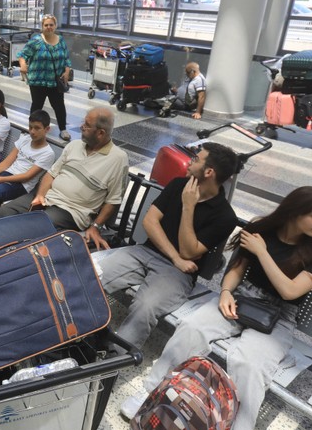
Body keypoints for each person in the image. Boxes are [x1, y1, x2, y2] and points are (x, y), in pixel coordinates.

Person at [120, 187, 312, 430]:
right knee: (192, 329)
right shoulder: (260, 228)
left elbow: (289, 291)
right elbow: (237, 267)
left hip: (280, 316)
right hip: (241, 296)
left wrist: (262, 252)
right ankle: (152, 392)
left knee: (250, 364)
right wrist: (225, 292)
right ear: (295, 210)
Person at [97, 142, 239, 350]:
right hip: (147, 253)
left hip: (177, 274)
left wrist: (189, 206)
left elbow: (189, 251)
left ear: (209, 172)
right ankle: (74, 334)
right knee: (94, 278)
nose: (191, 160)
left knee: (145, 308)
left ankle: (113, 361)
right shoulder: (178, 184)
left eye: (197, 159)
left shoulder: (225, 217)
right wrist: (176, 258)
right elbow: (150, 221)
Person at [0, 107, 128, 249]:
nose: (81, 127)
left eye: (87, 125)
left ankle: (4, 259)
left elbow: (113, 200)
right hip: (47, 197)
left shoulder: (118, 159)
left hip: (70, 210)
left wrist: (95, 226)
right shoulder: (74, 145)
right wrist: (40, 195)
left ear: (101, 133)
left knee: (32, 227)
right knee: (4, 213)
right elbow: (51, 174)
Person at [18, 14, 72, 142]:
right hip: (38, 81)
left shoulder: (61, 40)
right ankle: (32, 128)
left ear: (55, 26)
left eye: (51, 25)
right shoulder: (36, 40)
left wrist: (67, 71)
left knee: (59, 106)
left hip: (55, 82)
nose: (48, 27)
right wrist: (23, 64)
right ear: (42, 27)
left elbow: (66, 58)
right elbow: (22, 55)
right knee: (37, 106)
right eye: (46, 25)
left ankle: (63, 129)